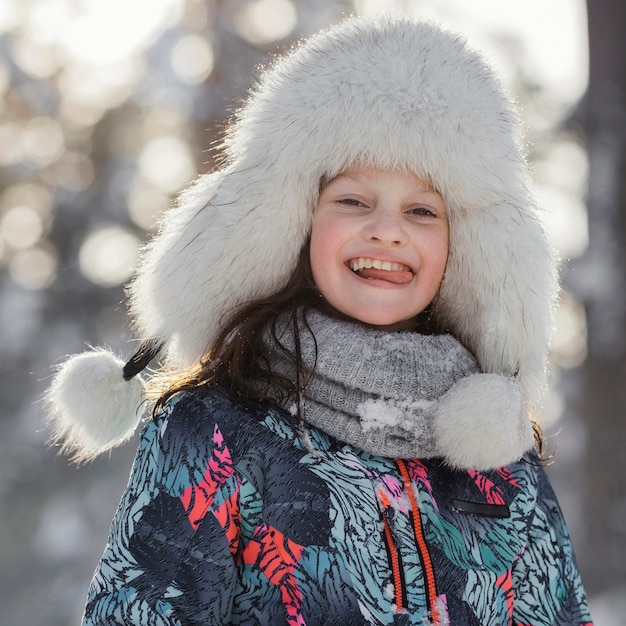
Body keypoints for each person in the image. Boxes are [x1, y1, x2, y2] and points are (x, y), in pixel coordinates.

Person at [46, 14, 593, 626]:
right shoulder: (216, 433)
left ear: (466, 249)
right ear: (296, 221)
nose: (387, 230)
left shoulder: (498, 463)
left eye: (421, 210)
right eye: (353, 200)